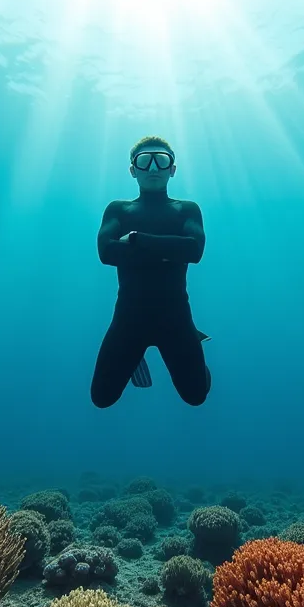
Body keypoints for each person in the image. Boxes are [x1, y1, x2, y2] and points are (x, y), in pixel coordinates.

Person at [91, 136, 211, 408]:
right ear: (133, 170)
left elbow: (194, 252)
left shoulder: (186, 209)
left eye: (162, 160)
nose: (154, 168)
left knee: (196, 397)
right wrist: (169, 249)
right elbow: (106, 253)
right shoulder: (119, 208)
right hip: (129, 320)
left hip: (177, 319)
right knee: (101, 399)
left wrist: (134, 239)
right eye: (145, 161)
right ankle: (135, 359)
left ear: (173, 169)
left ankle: (194, 341)